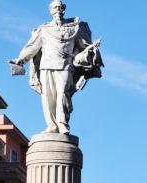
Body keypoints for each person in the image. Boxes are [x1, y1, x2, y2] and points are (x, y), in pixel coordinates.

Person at [10, 0, 103, 135]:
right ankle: (52, 125)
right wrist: (20, 59)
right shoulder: (44, 29)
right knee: (48, 96)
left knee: (62, 94)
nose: (58, 10)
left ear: (64, 10)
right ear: (51, 11)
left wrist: (92, 49)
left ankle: (62, 123)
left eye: (60, 8)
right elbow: (32, 47)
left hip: (65, 66)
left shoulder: (73, 29)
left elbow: (83, 46)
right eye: (55, 8)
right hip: (46, 66)